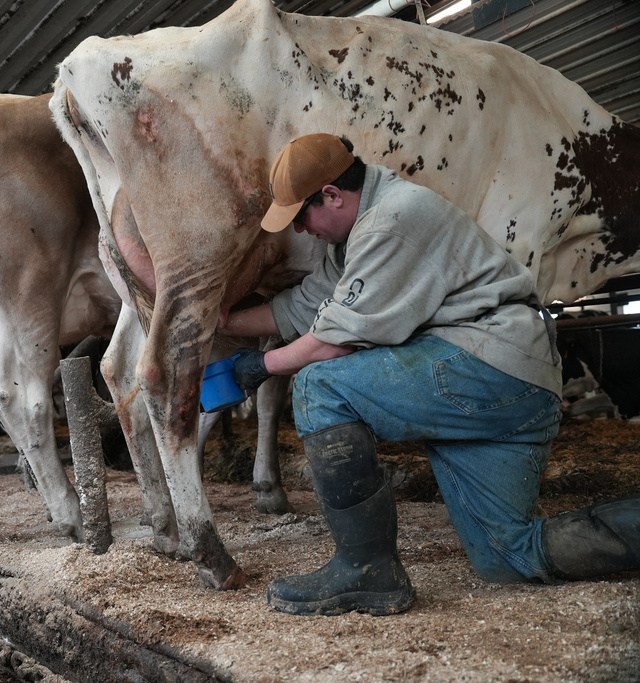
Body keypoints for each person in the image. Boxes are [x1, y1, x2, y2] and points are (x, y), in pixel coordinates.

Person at [220, 133, 640, 617]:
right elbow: (299, 308)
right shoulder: (358, 233)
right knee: (507, 555)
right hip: (512, 387)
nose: (302, 231)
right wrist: (224, 321)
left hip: (489, 366)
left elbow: (337, 340)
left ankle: (367, 569)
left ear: (332, 195)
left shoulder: (393, 219)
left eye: (301, 218)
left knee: (321, 386)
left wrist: (259, 366)